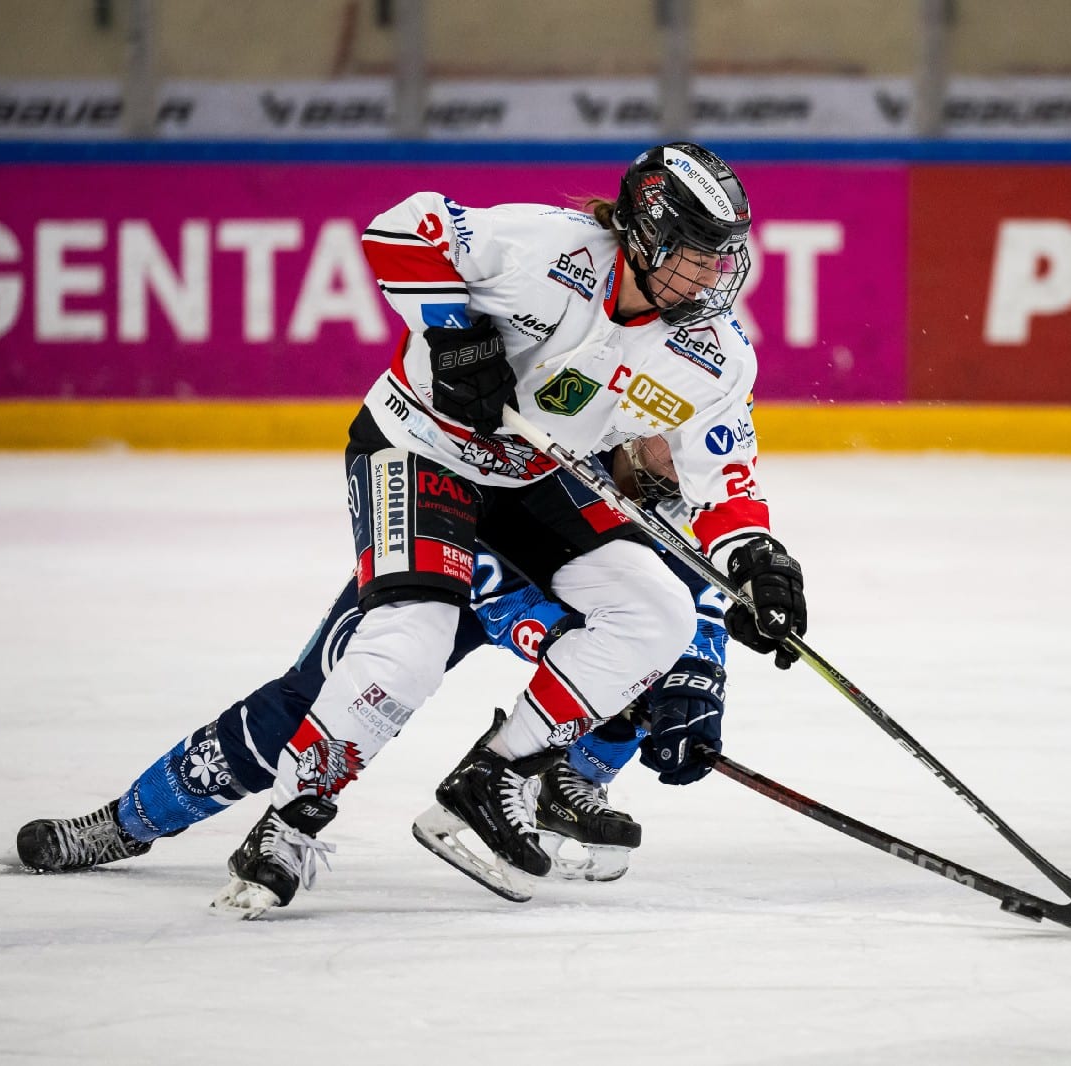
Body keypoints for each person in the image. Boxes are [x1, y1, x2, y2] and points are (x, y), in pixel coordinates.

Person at [207, 141, 801, 913]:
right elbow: (404, 227)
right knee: (412, 642)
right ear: (647, 234)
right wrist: (452, 333)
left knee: (657, 612)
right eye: (696, 254)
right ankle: (286, 824)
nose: (714, 275)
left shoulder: (715, 356)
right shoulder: (546, 247)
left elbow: (724, 479)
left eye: (724, 257)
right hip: (421, 447)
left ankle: (496, 776)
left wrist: (758, 562)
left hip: (531, 476)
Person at [0, 441, 737, 904]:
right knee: (310, 703)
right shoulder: (567, 430)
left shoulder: (682, 485)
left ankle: (566, 780)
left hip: (563, 590)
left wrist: (696, 685)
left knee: (653, 670)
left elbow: (695, 604)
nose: (683, 464)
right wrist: (542, 627)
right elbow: (480, 536)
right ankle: (127, 822)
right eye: (671, 444)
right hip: (449, 549)